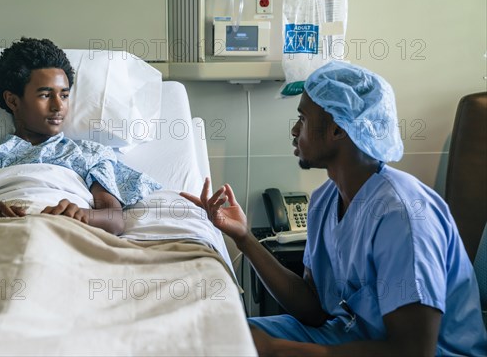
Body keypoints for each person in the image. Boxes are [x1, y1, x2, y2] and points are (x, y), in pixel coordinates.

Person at [182, 61, 487, 356]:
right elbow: (313, 309)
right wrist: (244, 238)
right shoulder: (325, 200)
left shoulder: (402, 215)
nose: (294, 130)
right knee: (220, 337)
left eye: (302, 119)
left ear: (338, 129)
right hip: (347, 335)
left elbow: (412, 350)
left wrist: (285, 350)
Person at [0, 37, 160, 234]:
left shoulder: (89, 154)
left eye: (64, 95)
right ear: (12, 100)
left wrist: (82, 214)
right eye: (45, 95)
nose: (58, 107)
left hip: (68, 234)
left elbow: (115, 220)